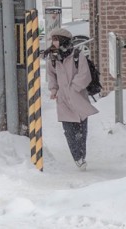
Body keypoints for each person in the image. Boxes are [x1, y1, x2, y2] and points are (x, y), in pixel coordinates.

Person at [44, 28, 97, 169]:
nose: (53, 42)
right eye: (52, 39)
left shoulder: (77, 55)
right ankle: (77, 157)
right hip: (63, 100)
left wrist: (73, 88)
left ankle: (82, 155)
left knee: (81, 131)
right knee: (69, 132)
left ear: (62, 40)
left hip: (78, 98)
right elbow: (51, 75)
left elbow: (85, 75)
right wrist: (54, 90)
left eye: (55, 39)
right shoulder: (53, 58)